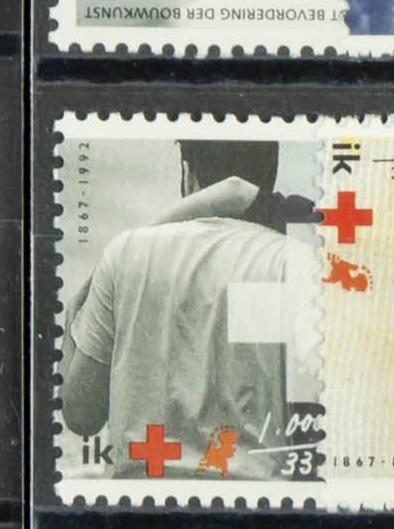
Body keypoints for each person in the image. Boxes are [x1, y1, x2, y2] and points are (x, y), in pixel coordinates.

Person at [59, 147, 296, 464]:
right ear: (271, 174)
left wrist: (76, 311)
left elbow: (80, 415)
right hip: (254, 488)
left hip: (144, 486)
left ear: (186, 173)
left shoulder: (128, 253)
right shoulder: (288, 261)